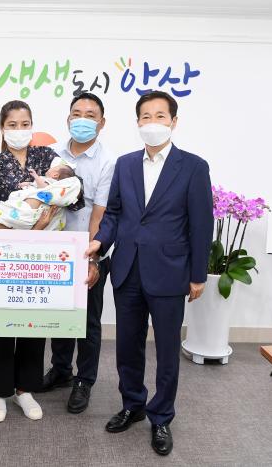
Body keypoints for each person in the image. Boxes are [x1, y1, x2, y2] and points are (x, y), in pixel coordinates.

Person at [85, 90, 213, 456]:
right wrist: (100, 243)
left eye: (160, 116)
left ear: (174, 121)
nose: (152, 122)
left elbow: (201, 224)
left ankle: (161, 416)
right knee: (128, 345)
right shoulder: (126, 164)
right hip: (127, 269)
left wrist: (198, 275)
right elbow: (113, 213)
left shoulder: (193, 167)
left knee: (167, 350)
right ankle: (133, 404)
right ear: (137, 122)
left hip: (170, 272)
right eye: (146, 116)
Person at [0, 100, 84, 423]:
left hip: (42, 259)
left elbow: (74, 194)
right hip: (6, 257)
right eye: (12, 125)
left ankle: (24, 390)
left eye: (25, 124)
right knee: (3, 325)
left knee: (34, 325)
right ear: (2, 128)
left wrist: (50, 195)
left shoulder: (46, 157)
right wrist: (30, 226)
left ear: (32, 127)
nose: (19, 130)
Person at [40, 92, 115, 415]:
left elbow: (99, 214)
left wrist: (92, 258)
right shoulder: (52, 154)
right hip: (55, 252)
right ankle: (61, 370)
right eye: (76, 113)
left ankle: (84, 380)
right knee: (58, 315)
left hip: (88, 250)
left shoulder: (108, 162)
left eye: (90, 115)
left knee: (87, 320)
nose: (82, 119)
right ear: (68, 119)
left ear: (101, 122)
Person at [0, 157, 82, 230]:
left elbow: (44, 187)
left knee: (19, 212)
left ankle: (7, 217)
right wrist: (27, 184)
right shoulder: (49, 182)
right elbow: (34, 185)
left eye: (53, 168)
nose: (49, 168)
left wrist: (36, 176)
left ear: (55, 175)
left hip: (32, 211)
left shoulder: (52, 184)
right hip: (34, 217)